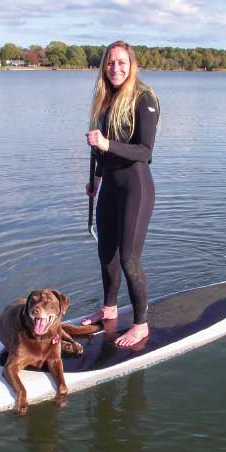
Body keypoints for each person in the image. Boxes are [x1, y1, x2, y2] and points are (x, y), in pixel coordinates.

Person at [82, 41, 159, 347]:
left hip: (136, 188)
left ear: (132, 65)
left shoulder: (144, 98)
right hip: (110, 186)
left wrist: (106, 145)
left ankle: (141, 325)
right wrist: (97, 180)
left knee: (128, 259)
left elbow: (145, 151)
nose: (116, 68)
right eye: (110, 62)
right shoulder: (104, 99)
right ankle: (109, 309)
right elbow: (101, 151)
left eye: (122, 62)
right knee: (106, 254)